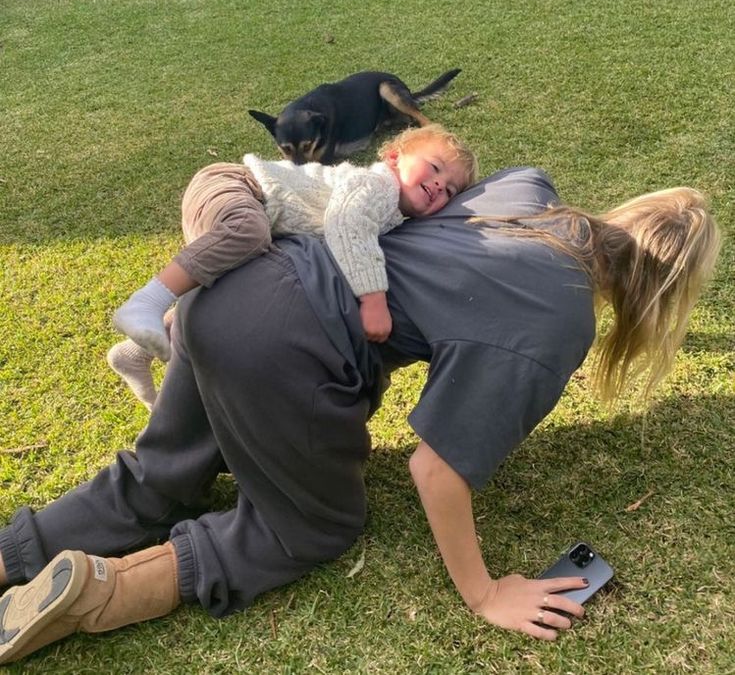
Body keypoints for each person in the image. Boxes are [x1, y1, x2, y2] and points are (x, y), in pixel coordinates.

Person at [0, 167, 720, 664]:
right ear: (661, 292)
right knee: (309, 526)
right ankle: (100, 591)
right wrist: (484, 590)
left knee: (160, 473)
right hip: (282, 344)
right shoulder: (558, 322)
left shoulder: (526, 188)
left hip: (228, 288)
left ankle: (16, 552)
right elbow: (436, 467)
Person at [109, 123, 478, 407]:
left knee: (245, 285)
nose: (438, 185)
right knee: (248, 233)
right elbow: (348, 224)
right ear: (394, 157)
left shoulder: (396, 216)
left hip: (256, 215)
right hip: (237, 186)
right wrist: (374, 299)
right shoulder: (377, 185)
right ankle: (147, 302)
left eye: (449, 189)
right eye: (434, 168)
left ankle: (135, 352)